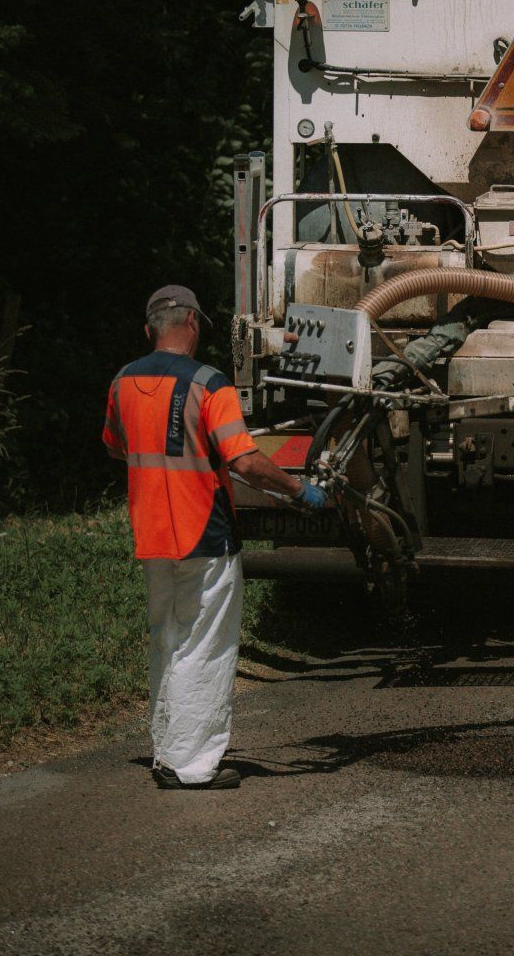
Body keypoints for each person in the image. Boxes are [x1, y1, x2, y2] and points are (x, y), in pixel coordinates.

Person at [102, 285, 325, 789]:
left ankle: (167, 750)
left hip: (151, 531)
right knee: (206, 646)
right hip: (204, 532)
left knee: (168, 641)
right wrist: (298, 490)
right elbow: (244, 460)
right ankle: (194, 766)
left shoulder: (121, 381)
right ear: (195, 325)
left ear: (149, 330)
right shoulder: (211, 383)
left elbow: (116, 447)